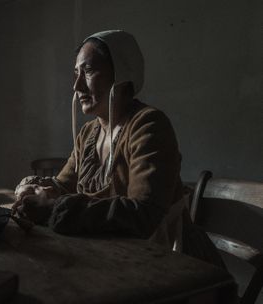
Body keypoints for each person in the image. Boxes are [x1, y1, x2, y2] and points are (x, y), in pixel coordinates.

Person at [13, 30, 223, 266]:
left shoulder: (149, 125)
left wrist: (55, 207)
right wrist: (37, 189)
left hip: (167, 259)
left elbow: (144, 215)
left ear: (122, 74)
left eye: (88, 71)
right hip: (113, 254)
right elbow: (64, 185)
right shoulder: (88, 133)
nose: (77, 85)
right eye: (75, 74)